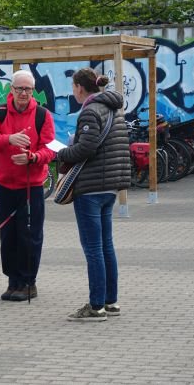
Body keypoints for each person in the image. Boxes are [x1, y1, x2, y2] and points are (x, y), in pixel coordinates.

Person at [57, 68, 130, 321]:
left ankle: (96, 306)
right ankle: (111, 302)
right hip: (110, 186)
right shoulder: (113, 109)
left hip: (91, 188)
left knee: (93, 249)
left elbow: (85, 148)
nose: (72, 91)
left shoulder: (90, 110)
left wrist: (62, 153)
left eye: (73, 86)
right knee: (106, 246)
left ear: (79, 87)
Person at [0, 70, 56, 302]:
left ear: (33, 91)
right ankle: (13, 280)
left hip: (31, 186)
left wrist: (33, 157)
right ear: (11, 90)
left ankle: (29, 282)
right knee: (9, 235)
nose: (23, 93)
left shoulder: (43, 115)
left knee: (30, 235)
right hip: (4, 184)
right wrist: (10, 139)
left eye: (28, 89)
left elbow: (50, 149)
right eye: (19, 89)